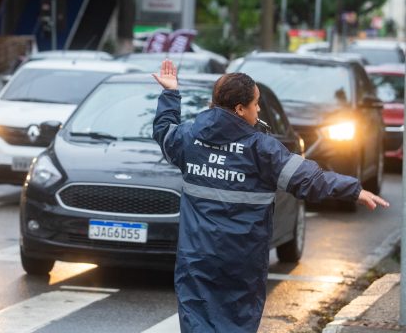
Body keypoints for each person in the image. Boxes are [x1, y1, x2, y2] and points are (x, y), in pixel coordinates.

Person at [151, 59, 389, 333]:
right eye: (256, 103)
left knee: (196, 323)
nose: (259, 108)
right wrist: (354, 190)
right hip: (241, 262)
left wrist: (170, 93)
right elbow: (309, 180)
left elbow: (164, 131)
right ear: (240, 110)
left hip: (197, 258)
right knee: (235, 325)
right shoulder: (262, 149)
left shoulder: (191, 137)